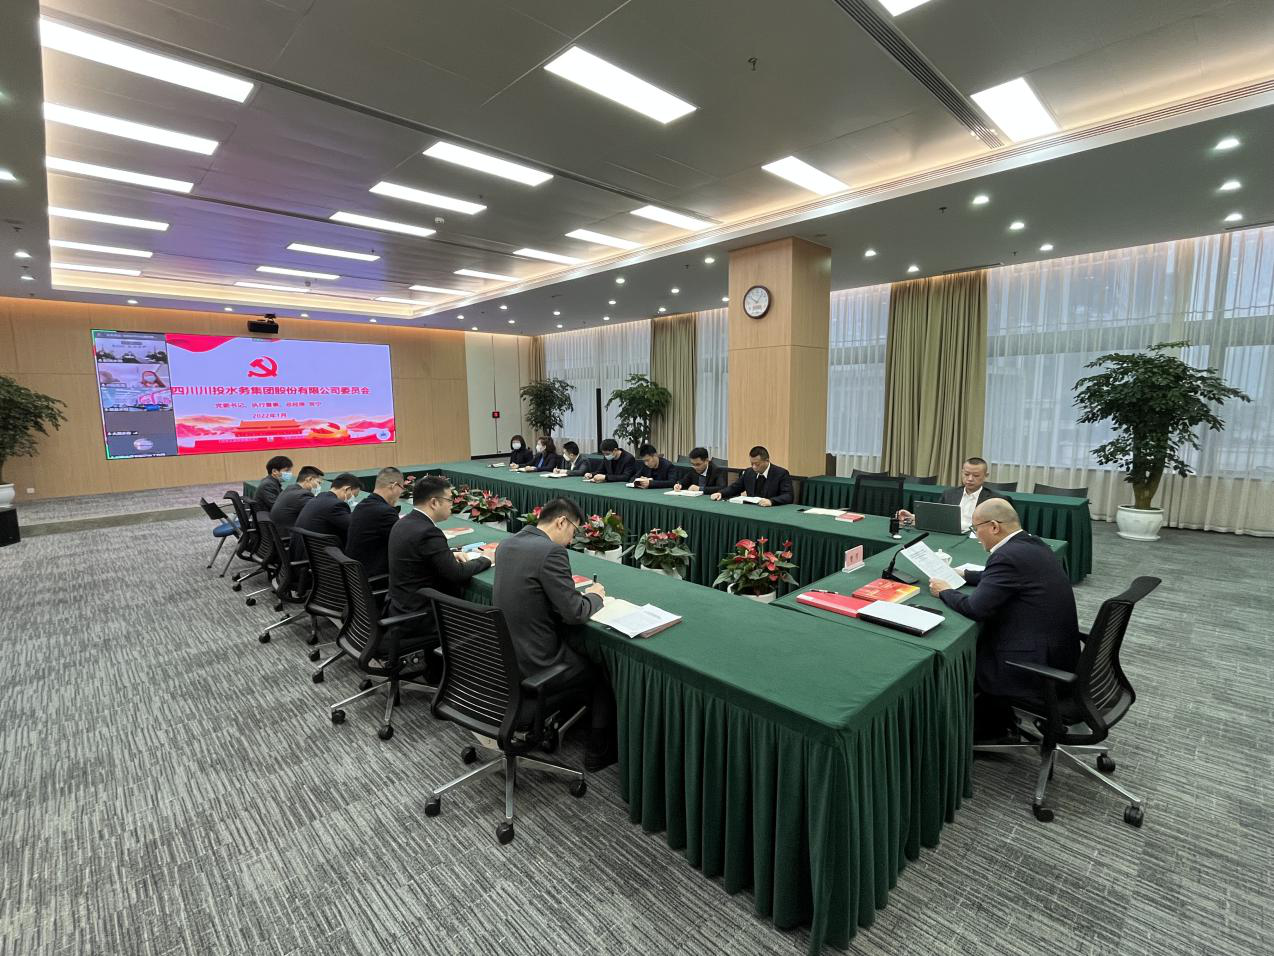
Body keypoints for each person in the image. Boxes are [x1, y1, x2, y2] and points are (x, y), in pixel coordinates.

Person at [928, 498, 1080, 742]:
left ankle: (984, 731)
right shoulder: (1032, 543)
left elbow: (975, 608)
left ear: (994, 527)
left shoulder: (1007, 556)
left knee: (959, 662)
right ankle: (997, 721)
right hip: (1060, 655)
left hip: (1034, 667)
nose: (976, 535)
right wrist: (964, 574)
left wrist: (945, 591)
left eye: (976, 528)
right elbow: (1002, 577)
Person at [492, 497, 615, 770]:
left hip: (506, 658)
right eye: (573, 531)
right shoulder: (551, 553)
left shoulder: (506, 544)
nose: (571, 541)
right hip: (538, 663)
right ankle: (598, 751)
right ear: (561, 521)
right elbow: (575, 613)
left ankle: (559, 720)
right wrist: (595, 596)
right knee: (601, 668)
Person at [386, 476, 494, 663]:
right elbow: (457, 574)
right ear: (434, 502)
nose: (452, 504)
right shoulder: (428, 532)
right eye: (449, 500)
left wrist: (449, 554)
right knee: (488, 620)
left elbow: (419, 556)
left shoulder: (404, 522)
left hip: (399, 606)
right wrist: (486, 559)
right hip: (421, 615)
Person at [897, 457, 1004, 533]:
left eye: (976, 475)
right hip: (950, 535)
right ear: (962, 472)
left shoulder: (995, 500)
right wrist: (912, 517)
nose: (970, 479)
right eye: (966, 474)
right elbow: (937, 517)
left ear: (985, 476)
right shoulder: (949, 494)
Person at [345, 466, 407, 580]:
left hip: (356, 577)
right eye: (402, 488)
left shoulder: (361, 506)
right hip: (374, 579)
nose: (401, 493)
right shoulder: (384, 512)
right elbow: (406, 543)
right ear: (394, 486)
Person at [289, 472, 362, 563]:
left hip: (302, 557)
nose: (353, 499)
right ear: (347, 489)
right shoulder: (336, 505)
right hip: (319, 562)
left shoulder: (317, 499)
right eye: (354, 496)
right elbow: (354, 528)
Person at [712, 446, 793, 507]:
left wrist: (771, 501)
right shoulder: (749, 472)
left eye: (757, 464)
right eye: (752, 464)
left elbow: (788, 496)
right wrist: (721, 493)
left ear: (767, 461)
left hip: (771, 511)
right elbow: (735, 487)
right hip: (751, 510)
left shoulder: (781, 473)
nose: (754, 467)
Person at [269, 465, 324, 534]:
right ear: (309, 479)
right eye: (318, 483)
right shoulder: (302, 495)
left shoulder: (290, 488)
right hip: (291, 536)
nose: (319, 486)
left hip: (281, 533)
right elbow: (319, 513)